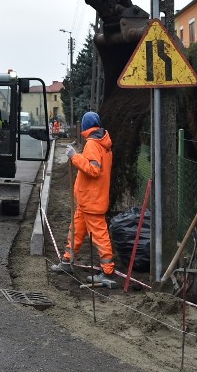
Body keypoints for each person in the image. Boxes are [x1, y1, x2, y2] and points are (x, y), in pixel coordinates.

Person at [50, 111, 116, 287]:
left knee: (100, 237)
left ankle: (107, 273)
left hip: (92, 201)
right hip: (88, 201)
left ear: (86, 127)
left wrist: (74, 157)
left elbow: (94, 170)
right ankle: (67, 262)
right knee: (76, 231)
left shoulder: (93, 144)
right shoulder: (102, 144)